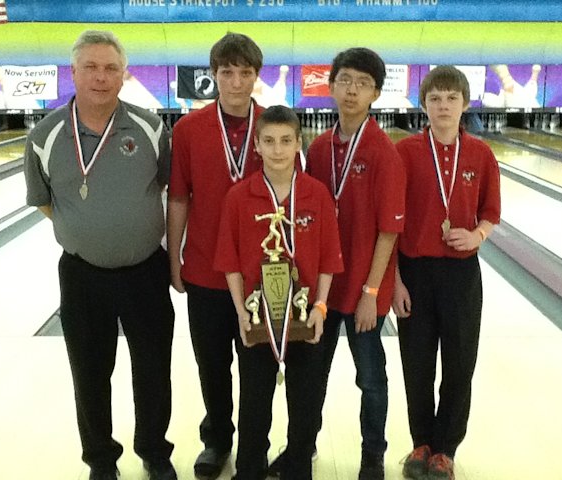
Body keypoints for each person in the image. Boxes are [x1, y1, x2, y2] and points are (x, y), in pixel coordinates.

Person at [23, 30, 176, 480]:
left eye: (111, 68)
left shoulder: (150, 127)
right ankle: (101, 461)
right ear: (72, 72)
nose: (101, 77)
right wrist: (86, 232)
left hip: (146, 272)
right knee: (89, 376)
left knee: (153, 371)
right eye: (90, 67)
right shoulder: (44, 135)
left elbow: (164, 187)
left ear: (124, 76)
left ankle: (153, 449)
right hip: (83, 275)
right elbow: (44, 201)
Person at [269, 48, 405, 480]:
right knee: (311, 378)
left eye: (363, 83)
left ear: (376, 93)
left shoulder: (385, 153)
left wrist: (370, 294)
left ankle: (373, 456)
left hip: (365, 291)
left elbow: (389, 231)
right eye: (345, 79)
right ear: (330, 86)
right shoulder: (320, 145)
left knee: (371, 380)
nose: (352, 89)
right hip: (321, 290)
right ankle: (301, 451)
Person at [214, 105, 344, 480]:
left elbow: (329, 261)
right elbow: (231, 263)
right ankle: (250, 470)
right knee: (253, 405)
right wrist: (241, 312)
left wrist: (320, 307)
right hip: (257, 318)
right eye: (268, 141)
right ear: (256, 145)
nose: (277, 149)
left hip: (305, 317)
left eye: (286, 141)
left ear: (298, 143)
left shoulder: (317, 195)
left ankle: (298, 470)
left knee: (305, 406)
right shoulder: (240, 197)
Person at [392, 66, 501, 480]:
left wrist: (478, 235)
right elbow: (391, 222)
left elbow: (492, 210)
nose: (443, 105)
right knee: (416, 365)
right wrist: (396, 281)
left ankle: (445, 450)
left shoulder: (481, 155)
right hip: (414, 272)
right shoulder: (404, 152)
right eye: (435, 98)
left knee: (459, 365)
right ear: (423, 105)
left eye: (451, 98)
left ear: (465, 104)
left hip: (461, 275)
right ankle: (421, 443)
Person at [167, 32, 265, 480]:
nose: (236, 81)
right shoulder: (188, 129)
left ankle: (254, 447)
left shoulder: (275, 126)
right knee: (213, 365)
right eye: (227, 71)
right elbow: (179, 199)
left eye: (245, 72)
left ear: (256, 77)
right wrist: (174, 259)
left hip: (262, 275)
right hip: (205, 271)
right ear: (213, 76)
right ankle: (217, 440)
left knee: (258, 366)